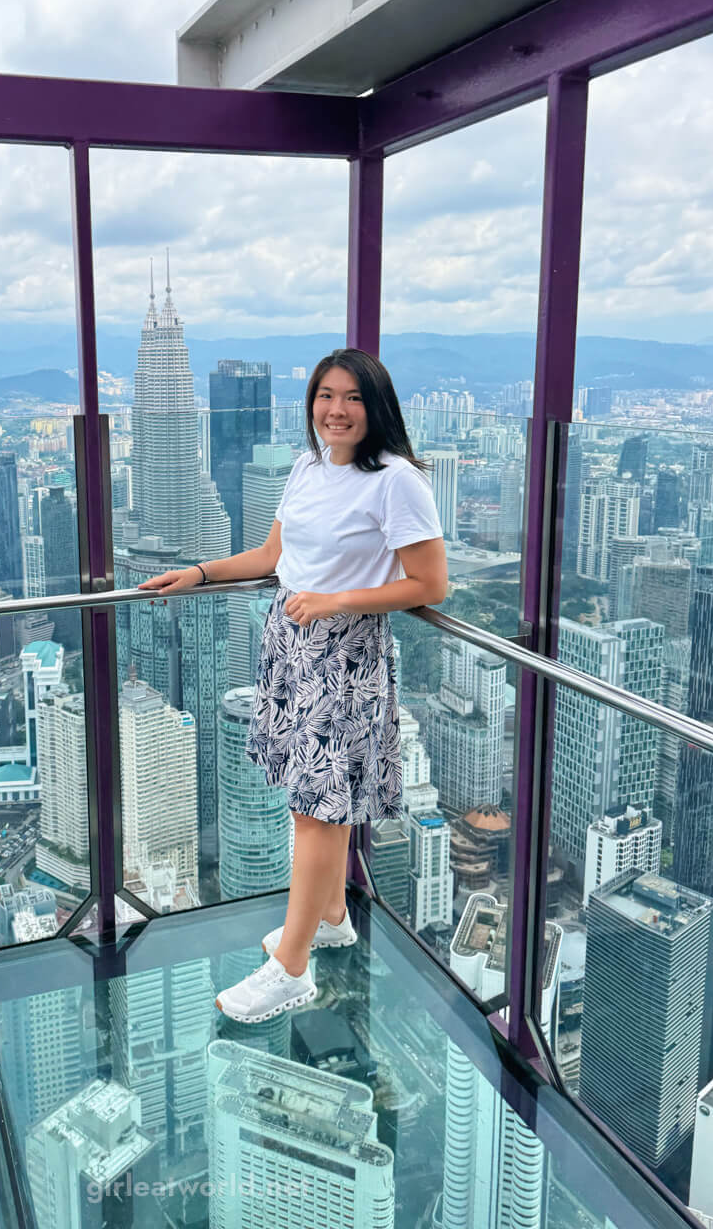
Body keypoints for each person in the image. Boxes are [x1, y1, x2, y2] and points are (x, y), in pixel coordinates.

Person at [138, 347, 448, 1023]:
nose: (336, 410)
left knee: (317, 809)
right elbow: (273, 557)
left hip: (344, 655)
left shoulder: (396, 481)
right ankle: (331, 915)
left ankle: (292, 969)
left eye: (353, 398)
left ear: (377, 407)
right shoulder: (308, 466)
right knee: (314, 803)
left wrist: (336, 601)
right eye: (325, 396)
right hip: (291, 643)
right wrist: (197, 573)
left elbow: (430, 584)